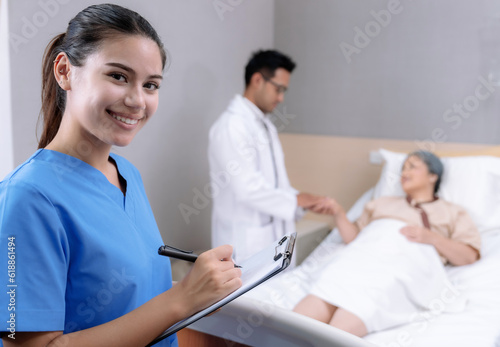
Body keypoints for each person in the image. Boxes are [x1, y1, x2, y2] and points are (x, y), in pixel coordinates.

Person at [0, 4, 241, 347]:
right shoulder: (26, 198)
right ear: (65, 71)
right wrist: (180, 299)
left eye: (151, 85)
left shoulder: (126, 175)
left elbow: (133, 299)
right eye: (118, 76)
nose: (137, 100)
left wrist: (201, 291)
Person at [293, 150, 481, 337]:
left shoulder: (453, 212)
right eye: (403, 168)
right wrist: (339, 213)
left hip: (402, 265)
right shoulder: (381, 203)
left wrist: (431, 237)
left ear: (433, 176)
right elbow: (354, 240)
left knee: (351, 314)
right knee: (322, 296)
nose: (404, 173)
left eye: (412, 167)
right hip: (360, 258)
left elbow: (468, 256)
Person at [208, 50, 330, 263]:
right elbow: (247, 188)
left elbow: (275, 184)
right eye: (278, 89)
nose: (281, 97)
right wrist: (294, 200)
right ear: (257, 80)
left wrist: (302, 201)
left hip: (272, 239)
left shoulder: (265, 126)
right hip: (245, 243)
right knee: (247, 295)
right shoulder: (231, 126)